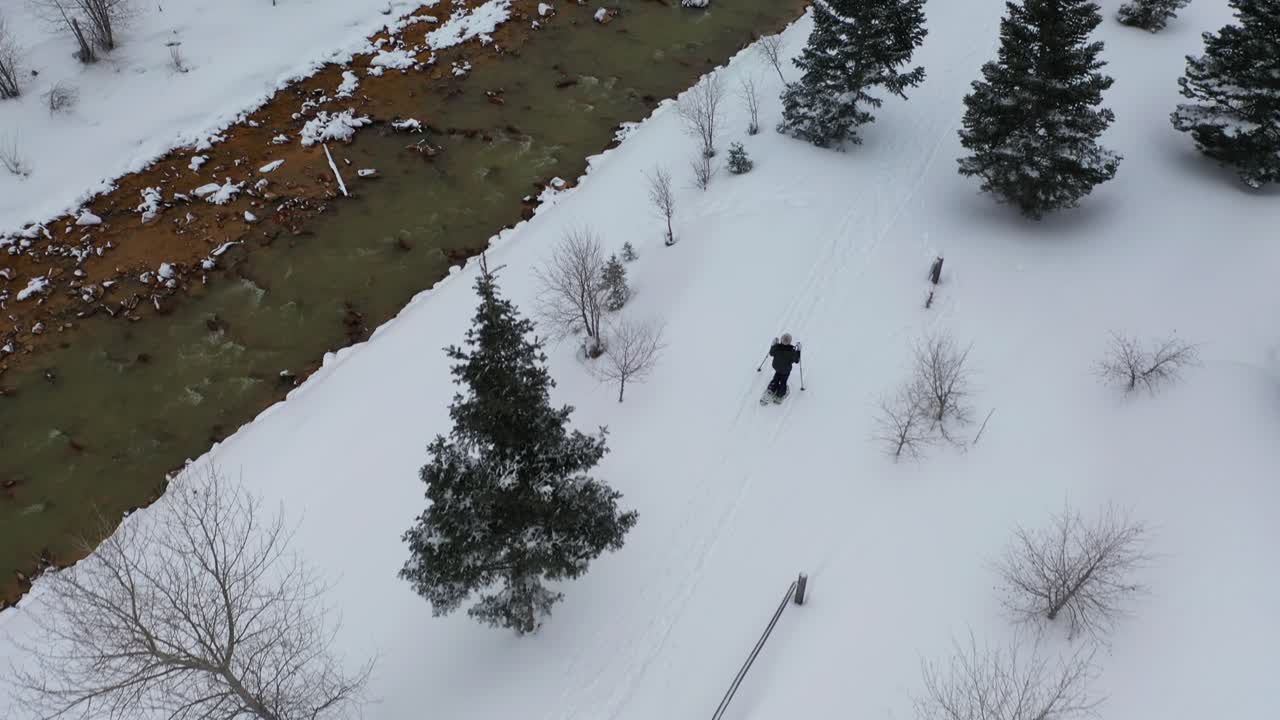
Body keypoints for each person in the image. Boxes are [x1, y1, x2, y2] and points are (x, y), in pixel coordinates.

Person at [767, 333, 801, 399]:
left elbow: (771, 353)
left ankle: (771, 389)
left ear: (781, 340)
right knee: (783, 380)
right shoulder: (792, 351)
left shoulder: (777, 347)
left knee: (776, 376)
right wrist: (798, 351)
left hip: (776, 366)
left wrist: (773, 344)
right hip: (786, 370)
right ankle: (780, 393)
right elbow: (797, 360)